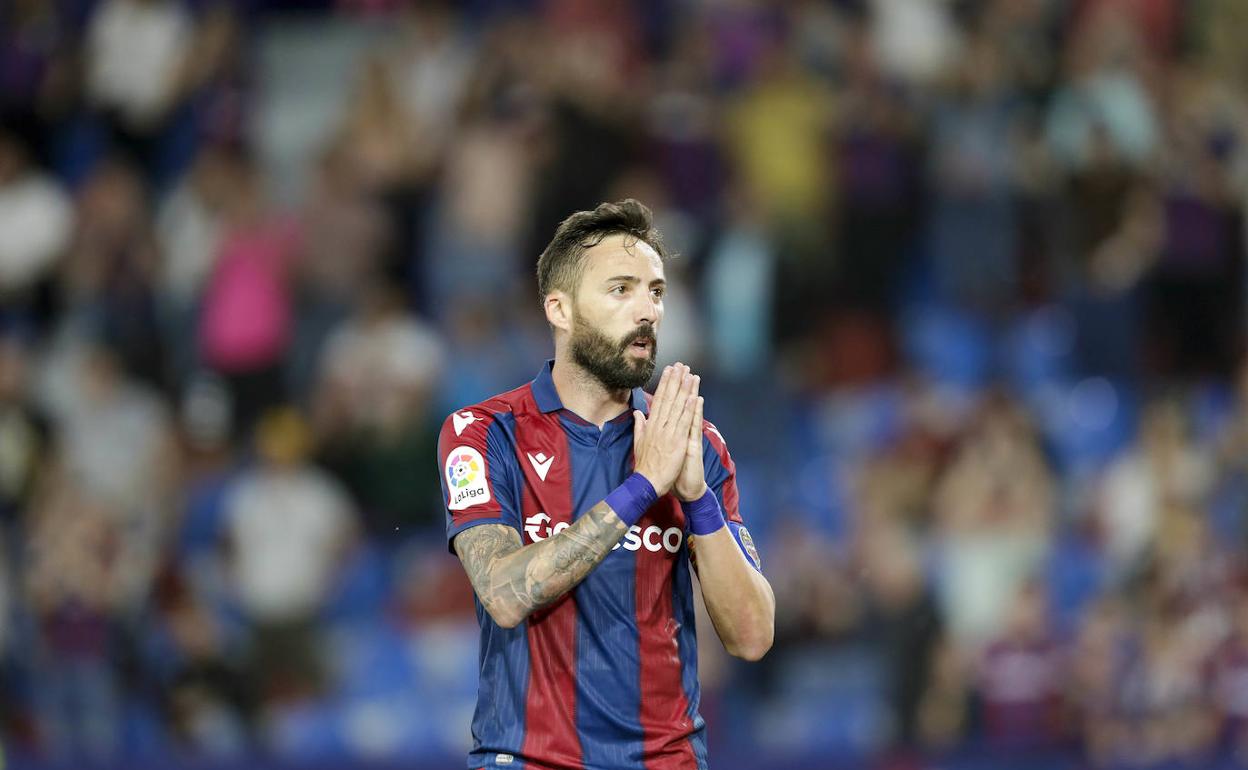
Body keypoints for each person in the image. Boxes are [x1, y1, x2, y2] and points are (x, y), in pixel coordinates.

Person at [436, 199, 774, 770]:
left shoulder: (694, 444)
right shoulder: (482, 433)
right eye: (621, 289)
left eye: (657, 291)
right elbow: (504, 594)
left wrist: (696, 497)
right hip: (527, 759)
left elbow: (751, 637)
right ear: (559, 309)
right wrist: (644, 487)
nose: (647, 310)